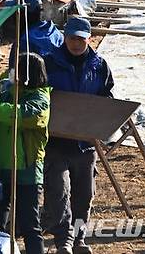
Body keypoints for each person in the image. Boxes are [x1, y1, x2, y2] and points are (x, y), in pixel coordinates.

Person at [43, 17, 114, 254]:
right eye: (72, 38)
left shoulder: (99, 65)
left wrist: (103, 121)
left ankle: (79, 238)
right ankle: (63, 240)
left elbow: (107, 96)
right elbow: (40, 96)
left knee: (84, 195)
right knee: (58, 192)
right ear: (65, 37)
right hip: (55, 141)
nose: (76, 43)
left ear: (89, 38)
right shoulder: (49, 63)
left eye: (81, 39)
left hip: (85, 143)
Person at [0, 53, 50, 254]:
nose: (11, 71)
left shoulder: (40, 99)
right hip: (1, 169)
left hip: (27, 171)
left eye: (16, 68)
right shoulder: (8, 93)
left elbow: (18, 114)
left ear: (27, 73)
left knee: (29, 224)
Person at [6, 0, 64, 66]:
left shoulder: (25, 42)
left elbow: (15, 73)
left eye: (14, 13)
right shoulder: (53, 30)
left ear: (23, 14)